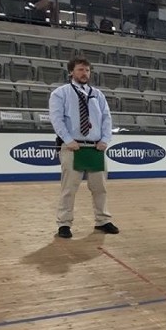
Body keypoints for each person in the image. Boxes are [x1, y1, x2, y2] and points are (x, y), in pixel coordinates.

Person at [49, 57, 118, 239]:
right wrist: (67, 139)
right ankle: (64, 223)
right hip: (73, 147)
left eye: (87, 70)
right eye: (80, 70)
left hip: (95, 147)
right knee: (69, 189)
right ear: (71, 72)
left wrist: (105, 139)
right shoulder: (60, 93)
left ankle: (103, 220)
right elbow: (57, 119)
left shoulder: (98, 94)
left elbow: (106, 118)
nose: (84, 73)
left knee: (100, 188)